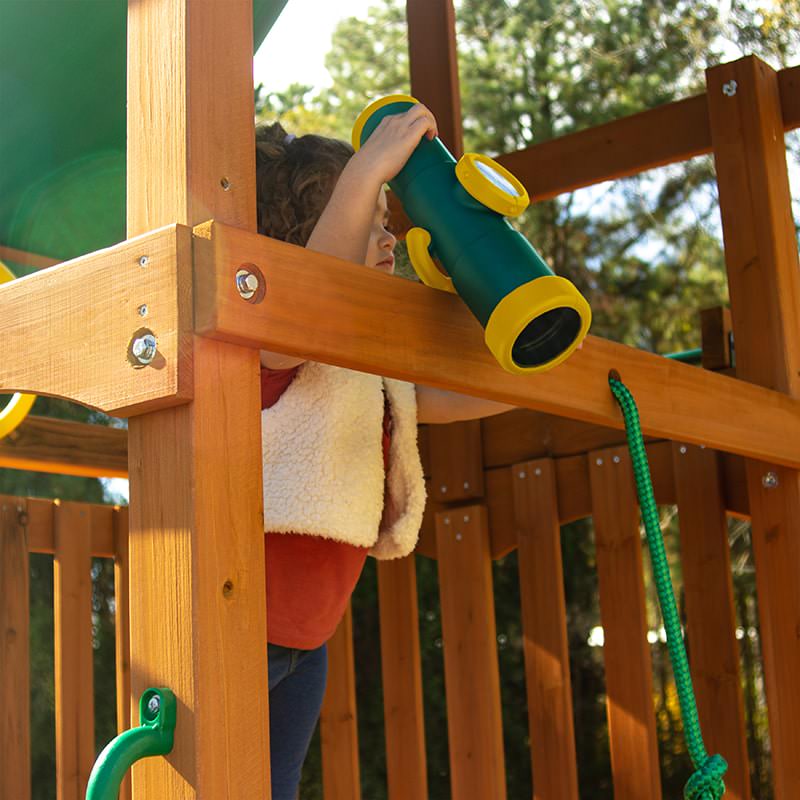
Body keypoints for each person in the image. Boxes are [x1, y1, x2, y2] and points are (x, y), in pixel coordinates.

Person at [256, 104, 514, 800]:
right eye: (369, 219)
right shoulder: (272, 348)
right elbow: (310, 301)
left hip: (308, 645)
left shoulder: (369, 370)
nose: (388, 237)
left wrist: (528, 339)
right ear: (304, 239)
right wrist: (369, 167)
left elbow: (469, 391)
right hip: (236, 624)